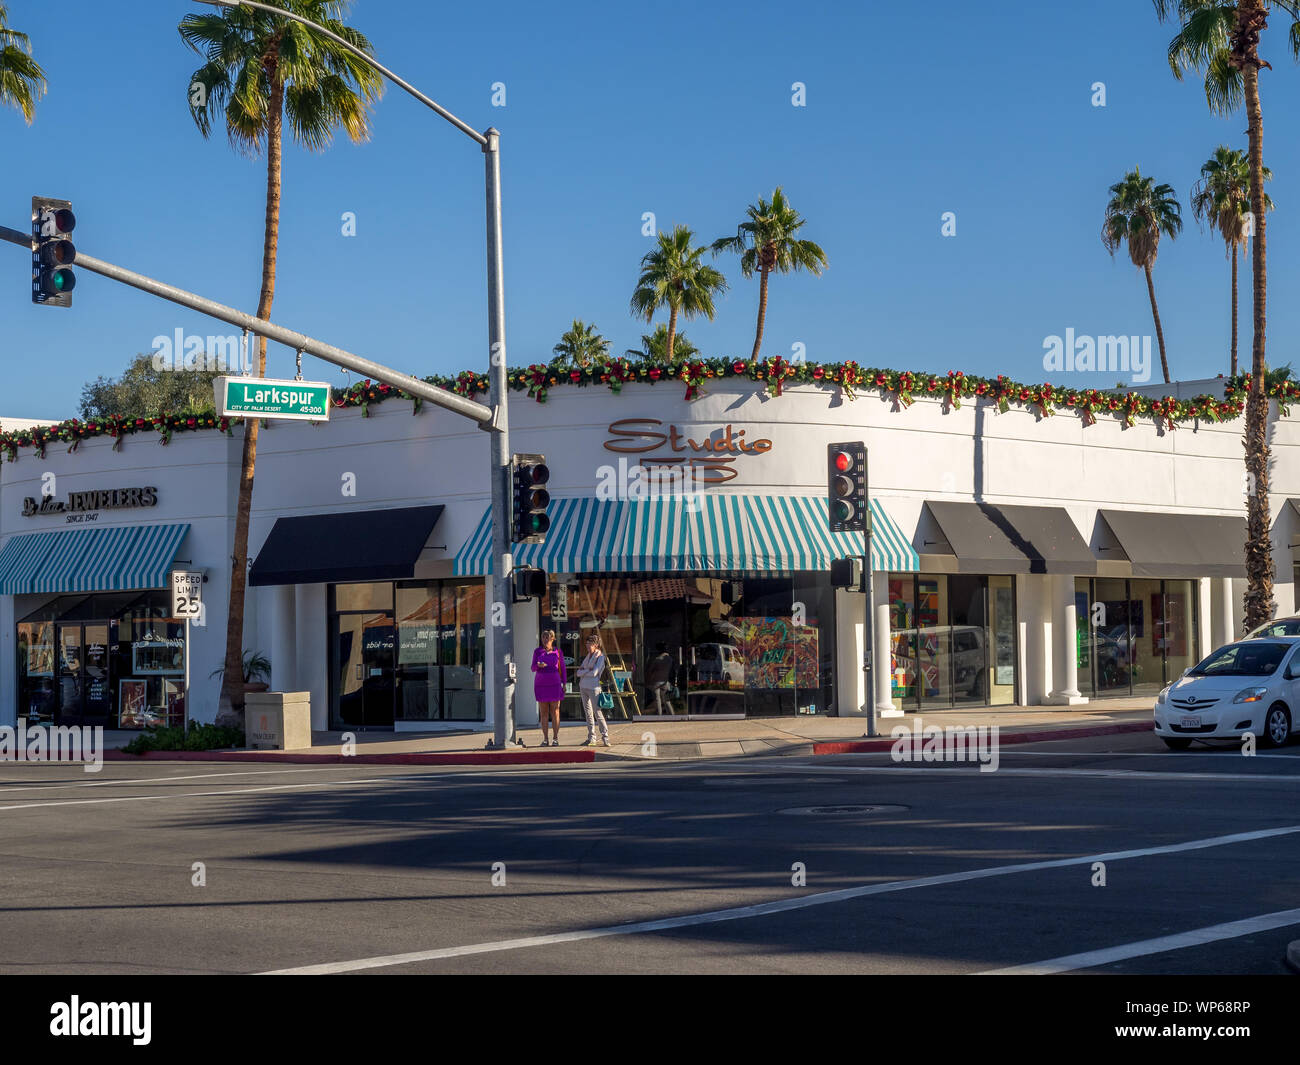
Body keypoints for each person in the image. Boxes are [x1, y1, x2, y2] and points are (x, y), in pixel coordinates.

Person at [532, 629, 566, 746]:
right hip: (541, 684)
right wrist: (538, 665)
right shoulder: (537, 652)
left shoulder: (558, 652)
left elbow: (563, 668)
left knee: (555, 711)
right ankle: (545, 739)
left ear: (552, 639)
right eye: (543, 638)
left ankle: (555, 738)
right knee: (544, 713)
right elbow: (532, 667)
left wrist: (565, 683)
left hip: (555, 684)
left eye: (548, 638)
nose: (545, 640)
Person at [576, 633, 611, 747]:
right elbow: (578, 673)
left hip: (594, 688)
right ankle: (591, 737)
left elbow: (595, 672)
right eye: (586, 644)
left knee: (597, 712)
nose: (587, 646)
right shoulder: (587, 657)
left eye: (589, 644)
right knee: (588, 713)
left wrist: (584, 671)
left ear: (596, 645)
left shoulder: (600, 657)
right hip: (583, 687)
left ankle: (605, 737)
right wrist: (587, 670)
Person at [646, 641, 675, 714]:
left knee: (657, 700)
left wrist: (648, 681)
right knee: (667, 700)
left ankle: (659, 716)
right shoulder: (670, 659)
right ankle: (672, 715)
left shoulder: (657, 659)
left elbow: (650, 671)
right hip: (665, 681)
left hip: (656, 681)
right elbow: (672, 671)